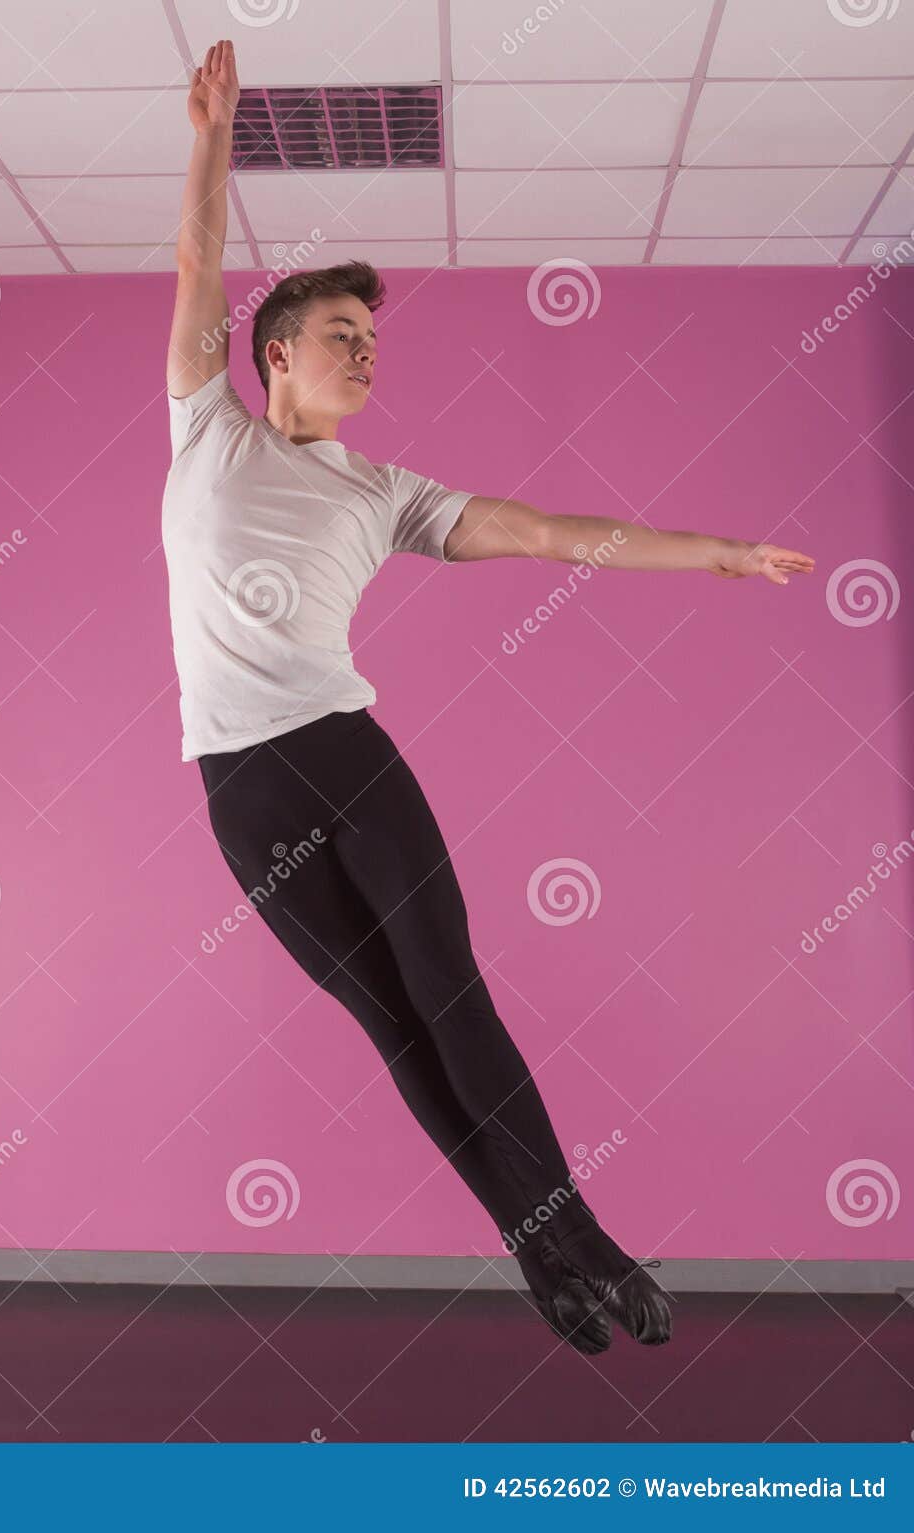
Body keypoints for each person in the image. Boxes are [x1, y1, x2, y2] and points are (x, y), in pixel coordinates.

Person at [163, 39, 815, 1354]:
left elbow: (548, 533)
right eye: (340, 337)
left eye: (372, 342)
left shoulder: (385, 492)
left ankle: (589, 1241)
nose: (364, 357)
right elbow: (196, 268)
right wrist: (213, 134)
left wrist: (723, 555)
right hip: (238, 786)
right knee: (397, 1033)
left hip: (347, 756)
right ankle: (546, 1266)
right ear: (273, 354)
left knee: (453, 999)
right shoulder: (206, 425)